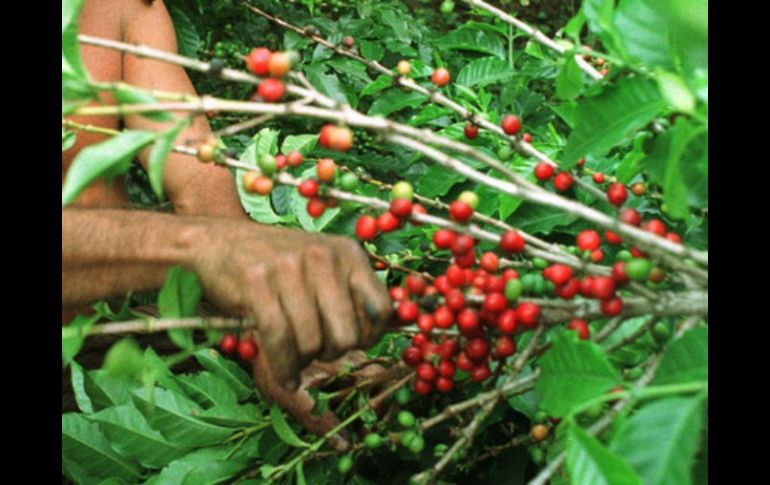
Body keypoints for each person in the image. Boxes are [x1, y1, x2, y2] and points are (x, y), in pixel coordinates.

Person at [62, 0, 391, 444]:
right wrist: (199, 247)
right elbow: (204, 242)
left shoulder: (122, 6)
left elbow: (193, 171)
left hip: (102, 342)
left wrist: (270, 318)